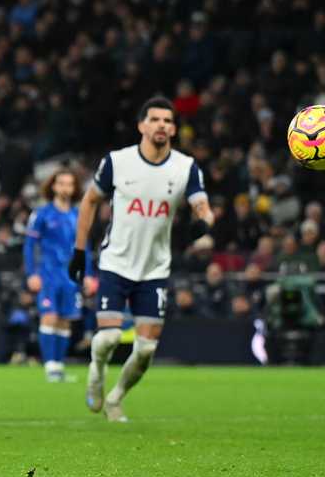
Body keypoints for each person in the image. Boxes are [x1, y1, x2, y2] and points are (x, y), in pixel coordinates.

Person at [69, 97, 214, 422]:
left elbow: (203, 207)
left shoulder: (185, 167)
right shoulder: (117, 162)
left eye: (167, 121)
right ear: (141, 126)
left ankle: (116, 398)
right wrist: (79, 251)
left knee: (146, 349)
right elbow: (89, 200)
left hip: (154, 269)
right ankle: (96, 370)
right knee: (108, 338)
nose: (162, 125)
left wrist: (203, 223)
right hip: (116, 263)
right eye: (155, 119)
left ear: (173, 129)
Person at [22, 167, 95, 382]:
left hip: (70, 277)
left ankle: (59, 367)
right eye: (61, 183)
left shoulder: (78, 215)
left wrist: (88, 274)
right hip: (48, 274)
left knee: (65, 321)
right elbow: (29, 245)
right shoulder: (42, 214)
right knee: (49, 316)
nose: (65, 188)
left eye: (69, 184)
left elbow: (85, 247)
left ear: (74, 188)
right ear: (53, 186)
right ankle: (50, 367)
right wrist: (32, 273)